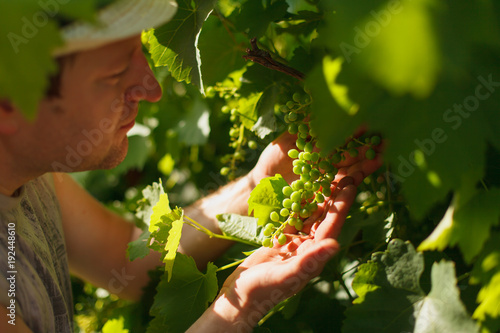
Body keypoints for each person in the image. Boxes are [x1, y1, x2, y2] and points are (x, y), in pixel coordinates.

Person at [0, 0, 382, 332]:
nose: (153, 89)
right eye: (116, 75)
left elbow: (130, 264)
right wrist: (239, 309)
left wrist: (258, 184)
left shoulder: (29, 178)